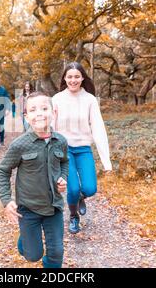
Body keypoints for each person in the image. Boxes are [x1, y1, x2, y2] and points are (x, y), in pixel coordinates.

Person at [0, 91, 69, 268]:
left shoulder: (60, 141)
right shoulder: (20, 145)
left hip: (54, 207)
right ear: (26, 117)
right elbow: (3, 170)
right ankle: (26, 237)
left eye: (44, 108)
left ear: (54, 113)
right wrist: (6, 201)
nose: (39, 113)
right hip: (28, 209)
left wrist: (63, 178)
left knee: (56, 253)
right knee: (32, 255)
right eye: (33, 110)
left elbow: (65, 162)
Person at [52, 62, 112, 234]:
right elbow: (50, 126)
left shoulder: (90, 100)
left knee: (90, 188)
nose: (73, 80)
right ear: (64, 78)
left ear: (82, 78)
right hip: (64, 151)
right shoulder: (56, 99)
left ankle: (79, 198)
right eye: (69, 76)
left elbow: (98, 129)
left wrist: (106, 162)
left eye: (77, 76)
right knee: (72, 188)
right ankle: (73, 216)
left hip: (84, 149)